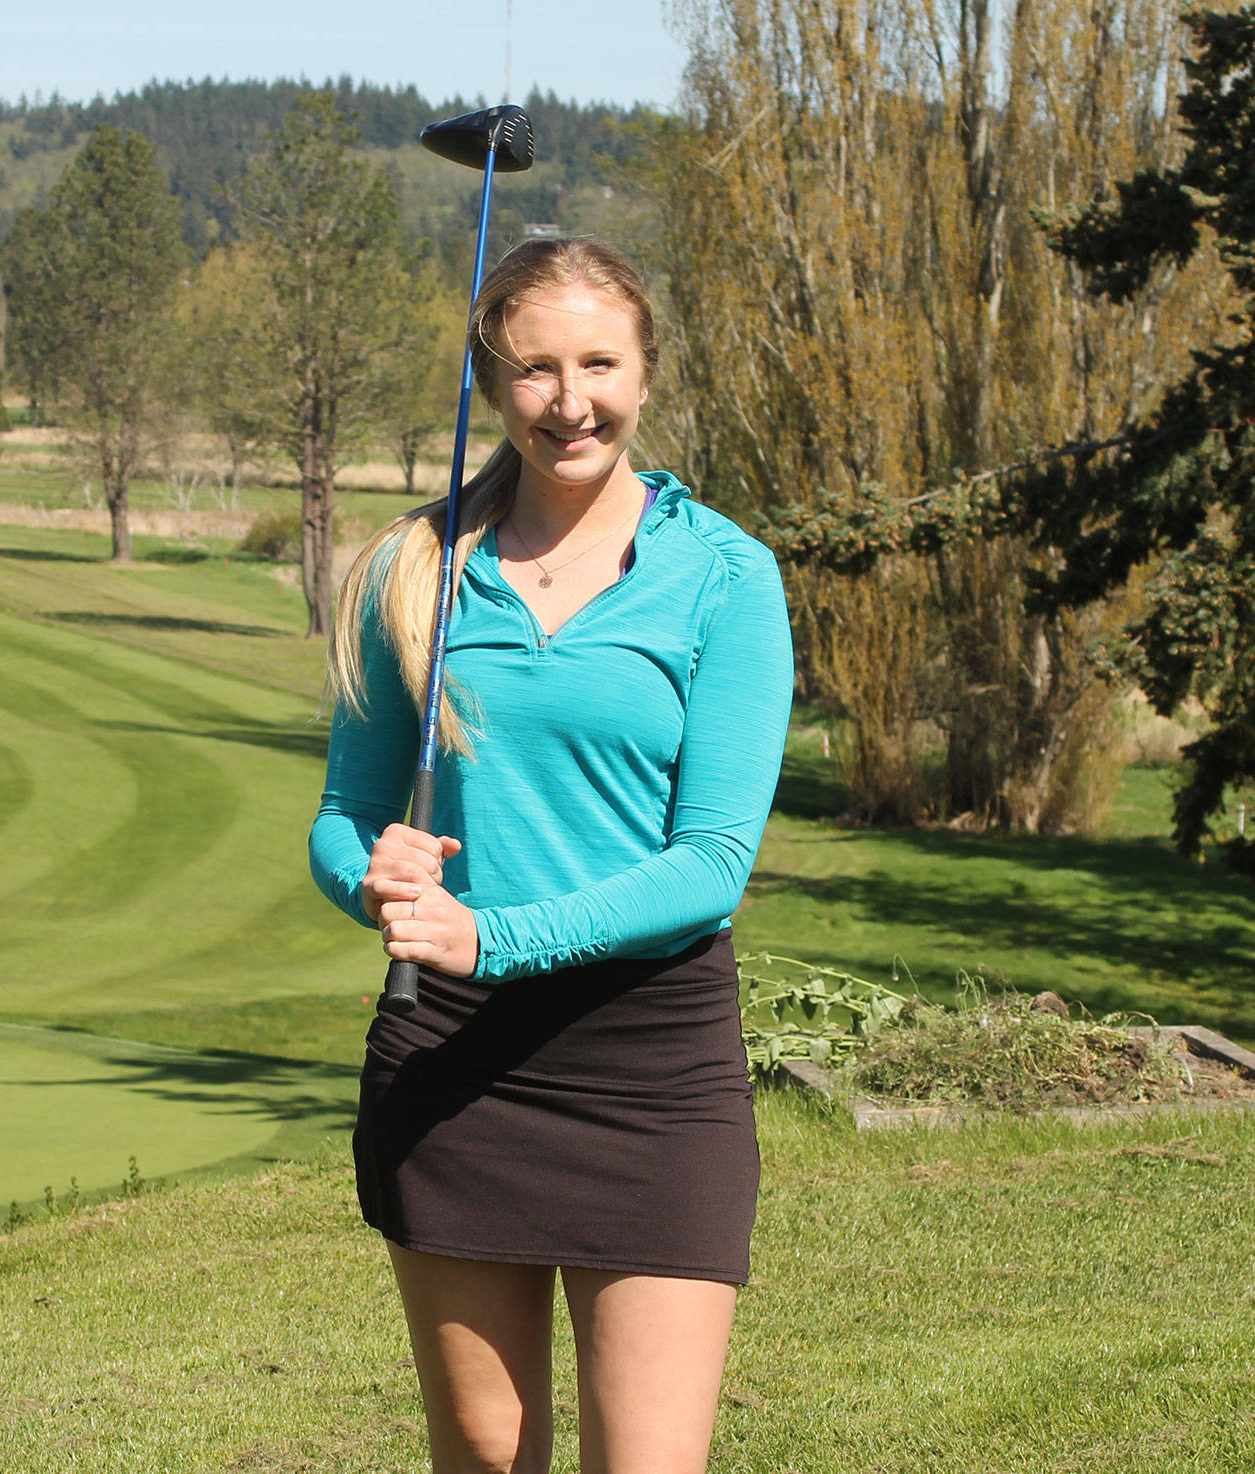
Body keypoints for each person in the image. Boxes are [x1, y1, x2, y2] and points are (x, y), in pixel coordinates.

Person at [309, 237, 793, 1474]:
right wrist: (370, 878)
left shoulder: (724, 575)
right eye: (533, 368)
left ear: (645, 371)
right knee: (485, 1451)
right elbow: (342, 815)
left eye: (598, 364)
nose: (568, 401)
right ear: (489, 383)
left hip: (651, 1062)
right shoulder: (413, 571)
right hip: (449, 1055)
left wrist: (491, 934)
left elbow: (711, 862)